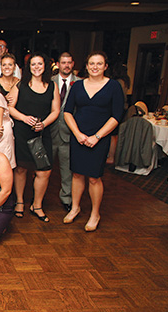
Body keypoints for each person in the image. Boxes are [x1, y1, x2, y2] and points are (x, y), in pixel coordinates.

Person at [63, 51, 124, 232]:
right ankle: (75, 208)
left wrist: (97, 136)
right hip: (79, 136)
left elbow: (116, 116)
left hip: (100, 138)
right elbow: (67, 112)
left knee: (94, 178)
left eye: (99, 64)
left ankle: (95, 214)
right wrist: (77, 134)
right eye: (91, 64)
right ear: (87, 66)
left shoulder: (113, 87)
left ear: (105, 66)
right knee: (76, 174)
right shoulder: (78, 85)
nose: (95, 67)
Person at [8, 52, 60, 221]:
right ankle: (20, 202)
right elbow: (9, 108)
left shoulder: (52, 86)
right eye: (33, 64)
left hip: (42, 133)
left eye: (39, 64)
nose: (36, 67)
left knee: (44, 171)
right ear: (28, 68)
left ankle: (37, 205)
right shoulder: (20, 85)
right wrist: (23, 118)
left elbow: (56, 111)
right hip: (22, 132)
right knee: (21, 168)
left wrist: (43, 123)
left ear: (45, 66)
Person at [51, 52, 81, 211]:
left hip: (69, 134)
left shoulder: (81, 83)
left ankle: (67, 199)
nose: (66, 65)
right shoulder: (49, 82)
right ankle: (38, 200)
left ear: (73, 63)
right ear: (58, 64)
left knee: (67, 170)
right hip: (49, 132)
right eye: (63, 62)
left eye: (69, 62)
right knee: (42, 169)